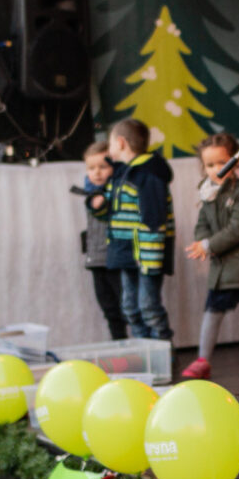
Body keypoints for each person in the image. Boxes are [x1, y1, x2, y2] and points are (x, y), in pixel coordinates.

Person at [180, 133, 239, 380]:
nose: (216, 170)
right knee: (213, 310)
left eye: (222, 163)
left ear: (235, 161)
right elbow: (202, 223)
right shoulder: (208, 192)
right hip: (223, 266)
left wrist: (209, 245)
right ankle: (203, 360)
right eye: (210, 165)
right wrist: (201, 241)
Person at [102, 118, 175, 341]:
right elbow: (113, 207)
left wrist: (149, 257)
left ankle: (163, 350)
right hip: (126, 253)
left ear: (121, 143)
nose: (109, 148)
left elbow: (154, 219)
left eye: (111, 142)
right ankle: (145, 351)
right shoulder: (122, 173)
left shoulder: (148, 174)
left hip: (145, 255)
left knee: (148, 307)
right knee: (130, 308)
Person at [80, 140, 126, 340]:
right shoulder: (90, 193)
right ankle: (120, 345)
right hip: (97, 260)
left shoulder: (119, 190)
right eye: (91, 168)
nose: (97, 172)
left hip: (116, 259)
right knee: (109, 308)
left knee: (127, 307)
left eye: (103, 166)